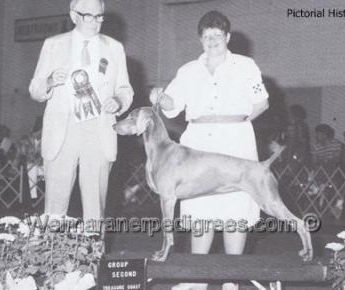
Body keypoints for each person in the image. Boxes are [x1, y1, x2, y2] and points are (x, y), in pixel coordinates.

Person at [150, 10, 269, 290]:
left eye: (217, 35)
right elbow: (172, 105)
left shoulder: (246, 65)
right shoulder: (188, 70)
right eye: (206, 36)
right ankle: (196, 278)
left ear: (228, 37)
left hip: (236, 142)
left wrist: (236, 123)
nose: (212, 40)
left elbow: (261, 103)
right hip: (198, 142)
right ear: (200, 39)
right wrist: (161, 96)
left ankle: (232, 278)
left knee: (235, 209)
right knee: (200, 207)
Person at [29, 0, 133, 220]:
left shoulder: (114, 48)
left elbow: (125, 89)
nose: (94, 22)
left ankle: (93, 253)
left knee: (95, 206)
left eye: (99, 16)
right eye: (88, 16)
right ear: (73, 15)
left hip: (98, 129)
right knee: (54, 206)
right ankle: (51, 252)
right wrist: (48, 81)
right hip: (62, 129)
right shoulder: (53, 44)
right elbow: (35, 89)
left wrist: (118, 100)